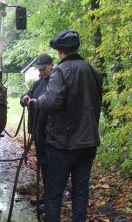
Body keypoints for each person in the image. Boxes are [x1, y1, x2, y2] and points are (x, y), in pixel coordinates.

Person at [28, 30, 102, 222]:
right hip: (87, 143)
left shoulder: (60, 71)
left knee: (54, 194)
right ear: (76, 48)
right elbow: (97, 104)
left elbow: (52, 102)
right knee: (80, 193)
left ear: (60, 52)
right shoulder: (92, 70)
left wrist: (39, 101)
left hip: (63, 144)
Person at [20, 53, 54, 206]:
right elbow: (28, 93)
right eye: (39, 70)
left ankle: (51, 199)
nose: (41, 72)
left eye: (43, 69)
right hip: (38, 130)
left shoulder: (55, 82)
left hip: (50, 131)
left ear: (51, 65)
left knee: (50, 165)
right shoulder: (39, 82)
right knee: (43, 164)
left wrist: (38, 102)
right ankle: (47, 196)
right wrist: (25, 98)